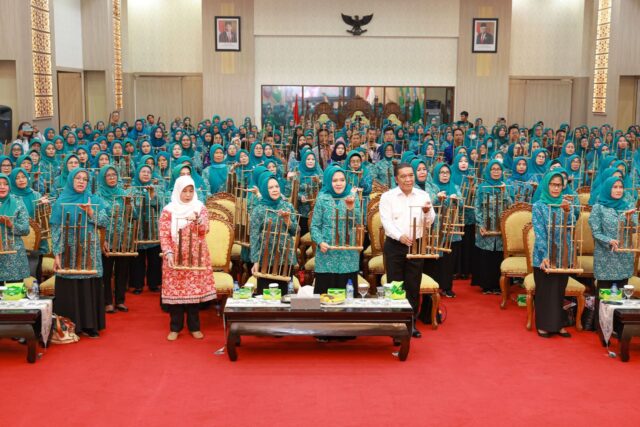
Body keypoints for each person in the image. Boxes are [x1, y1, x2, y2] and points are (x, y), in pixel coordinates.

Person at [379, 163, 435, 338]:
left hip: (416, 245)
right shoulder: (388, 197)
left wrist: (427, 212)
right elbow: (386, 222)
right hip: (395, 245)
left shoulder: (423, 195)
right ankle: (396, 326)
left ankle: (410, 324)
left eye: (411, 175)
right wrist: (399, 236)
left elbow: (430, 221)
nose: (408, 179)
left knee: (412, 286)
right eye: (404, 176)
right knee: (396, 286)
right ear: (397, 179)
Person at [51, 168, 108, 338]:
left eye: (84, 179)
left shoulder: (94, 199)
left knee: (88, 283)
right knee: (71, 285)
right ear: (70, 180)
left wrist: (90, 211)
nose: (81, 181)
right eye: (77, 178)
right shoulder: (61, 202)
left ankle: (90, 325)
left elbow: (104, 222)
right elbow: (55, 229)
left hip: (89, 248)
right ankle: (69, 325)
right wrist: (57, 253)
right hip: (69, 249)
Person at [159, 175, 216, 341]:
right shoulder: (168, 210)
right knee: (176, 293)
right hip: (175, 256)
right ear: (178, 191)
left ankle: (194, 326)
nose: (188, 195)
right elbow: (164, 234)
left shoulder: (200, 208)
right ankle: (175, 327)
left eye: (191, 191)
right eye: (185, 191)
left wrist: (197, 220)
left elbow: (204, 229)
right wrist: (168, 251)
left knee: (193, 292)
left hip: (195, 255)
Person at [531, 171, 578, 338]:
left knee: (559, 289)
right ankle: (543, 325)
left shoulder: (564, 204)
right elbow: (539, 232)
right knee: (545, 290)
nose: (556, 188)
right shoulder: (538, 206)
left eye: (559, 185)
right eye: (553, 184)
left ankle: (558, 325)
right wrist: (544, 254)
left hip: (562, 254)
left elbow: (571, 225)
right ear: (546, 185)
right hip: (543, 254)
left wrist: (567, 211)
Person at [311, 166, 361, 294]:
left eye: (342, 180)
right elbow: (315, 226)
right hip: (326, 255)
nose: (339, 183)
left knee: (347, 301)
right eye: (334, 180)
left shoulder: (352, 197)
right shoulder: (322, 198)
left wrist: (350, 208)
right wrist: (320, 242)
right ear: (328, 181)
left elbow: (359, 224)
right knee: (324, 300)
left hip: (348, 255)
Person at [249, 174, 298, 294]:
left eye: (277, 186)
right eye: (270, 187)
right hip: (266, 258)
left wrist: (287, 220)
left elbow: (295, 230)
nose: (275, 189)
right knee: (267, 297)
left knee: (286, 297)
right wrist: (255, 260)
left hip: (285, 258)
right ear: (264, 190)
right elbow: (254, 236)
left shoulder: (288, 206)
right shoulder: (259, 210)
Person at [589, 176, 636, 292]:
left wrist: (629, 219)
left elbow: (634, 229)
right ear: (607, 188)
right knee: (604, 297)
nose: (619, 190)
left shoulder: (628, 206)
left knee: (622, 297)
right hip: (605, 256)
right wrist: (609, 240)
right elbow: (596, 232)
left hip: (624, 256)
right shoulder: (598, 208)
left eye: (621, 187)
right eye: (615, 187)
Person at [474, 159, 512, 295]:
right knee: (487, 256)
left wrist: (505, 192)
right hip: (486, 225)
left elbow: (511, 206)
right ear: (489, 171)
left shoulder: (506, 186)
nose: (496, 172)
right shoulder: (482, 187)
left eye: (498, 169)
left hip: (501, 228)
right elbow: (477, 206)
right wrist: (480, 224)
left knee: (498, 256)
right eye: (493, 169)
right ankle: (486, 285)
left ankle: (498, 285)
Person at [96, 165, 131, 314]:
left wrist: (129, 203)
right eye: (108, 175)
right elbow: (96, 220)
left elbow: (133, 215)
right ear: (103, 178)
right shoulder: (98, 195)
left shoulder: (123, 193)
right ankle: (107, 302)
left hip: (123, 237)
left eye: (114, 175)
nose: (111, 178)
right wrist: (101, 239)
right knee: (107, 271)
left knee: (122, 271)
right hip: (106, 239)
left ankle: (120, 301)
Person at [0, 173, 30, 285]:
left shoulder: (18, 202)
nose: (2, 187)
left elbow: (25, 230)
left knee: (14, 297)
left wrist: (10, 224)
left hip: (13, 256)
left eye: (5, 184)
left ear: (10, 186)